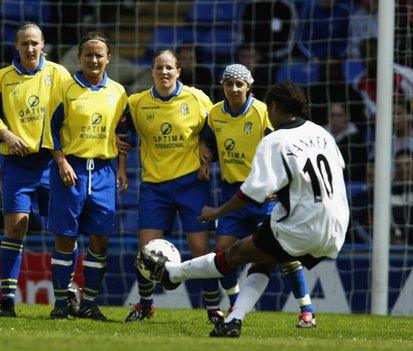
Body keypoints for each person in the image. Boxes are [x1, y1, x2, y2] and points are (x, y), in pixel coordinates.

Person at [137, 82, 350, 337]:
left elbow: (249, 194)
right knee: (262, 261)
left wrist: (217, 212)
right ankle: (235, 319)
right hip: (337, 226)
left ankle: (173, 274)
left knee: (234, 254)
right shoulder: (322, 133)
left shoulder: (276, 140)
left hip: (303, 225)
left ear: (273, 107)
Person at [202, 64, 316, 327]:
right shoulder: (215, 114)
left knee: (284, 252)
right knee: (222, 250)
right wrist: (204, 154)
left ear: (249, 87)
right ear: (222, 86)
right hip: (234, 194)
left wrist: (280, 185)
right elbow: (207, 139)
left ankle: (306, 310)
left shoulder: (262, 112)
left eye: (239, 84)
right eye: (229, 84)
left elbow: (282, 149)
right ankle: (234, 303)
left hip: (265, 193)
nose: (233, 89)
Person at [0, 23, 72, 318]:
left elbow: (71, 113)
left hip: (51, 161)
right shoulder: (2, 78)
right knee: (16, 225)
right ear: (17, 46)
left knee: (63, 229)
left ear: (43, 44)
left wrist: (63, 156)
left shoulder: (59, 74)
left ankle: (64, 297)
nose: (30, 48)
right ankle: (8, 299)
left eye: (35, 43)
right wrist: (6, 134)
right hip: (18, 165)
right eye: (25, 44)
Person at [121, 49, 215, 322]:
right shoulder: (137, 103)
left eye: (169, 68)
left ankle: (212, 308)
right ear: (151, 71)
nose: (164, 72)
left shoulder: (197, 99)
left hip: (191, 184)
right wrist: (123, 168)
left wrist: (207, 154)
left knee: (200, 249)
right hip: (155, 186)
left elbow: (217, 128)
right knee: (145, 250)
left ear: (178, 71)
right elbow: (119, 132)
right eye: (159, 67)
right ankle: (145, 304)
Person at [46, 31, 128, 321]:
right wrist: (61, 161)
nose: (94, 59)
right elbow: (50, 129)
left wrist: (121, 167)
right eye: (88, 55)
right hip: (72, 170)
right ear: (79, 58)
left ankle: (90, 303)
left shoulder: (118, 91)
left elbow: (123, 132)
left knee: (100, 240)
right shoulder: (66, 89)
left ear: (108, 58)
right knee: (65, 239)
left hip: (104, 172)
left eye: (99, 55)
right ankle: (60, 303)